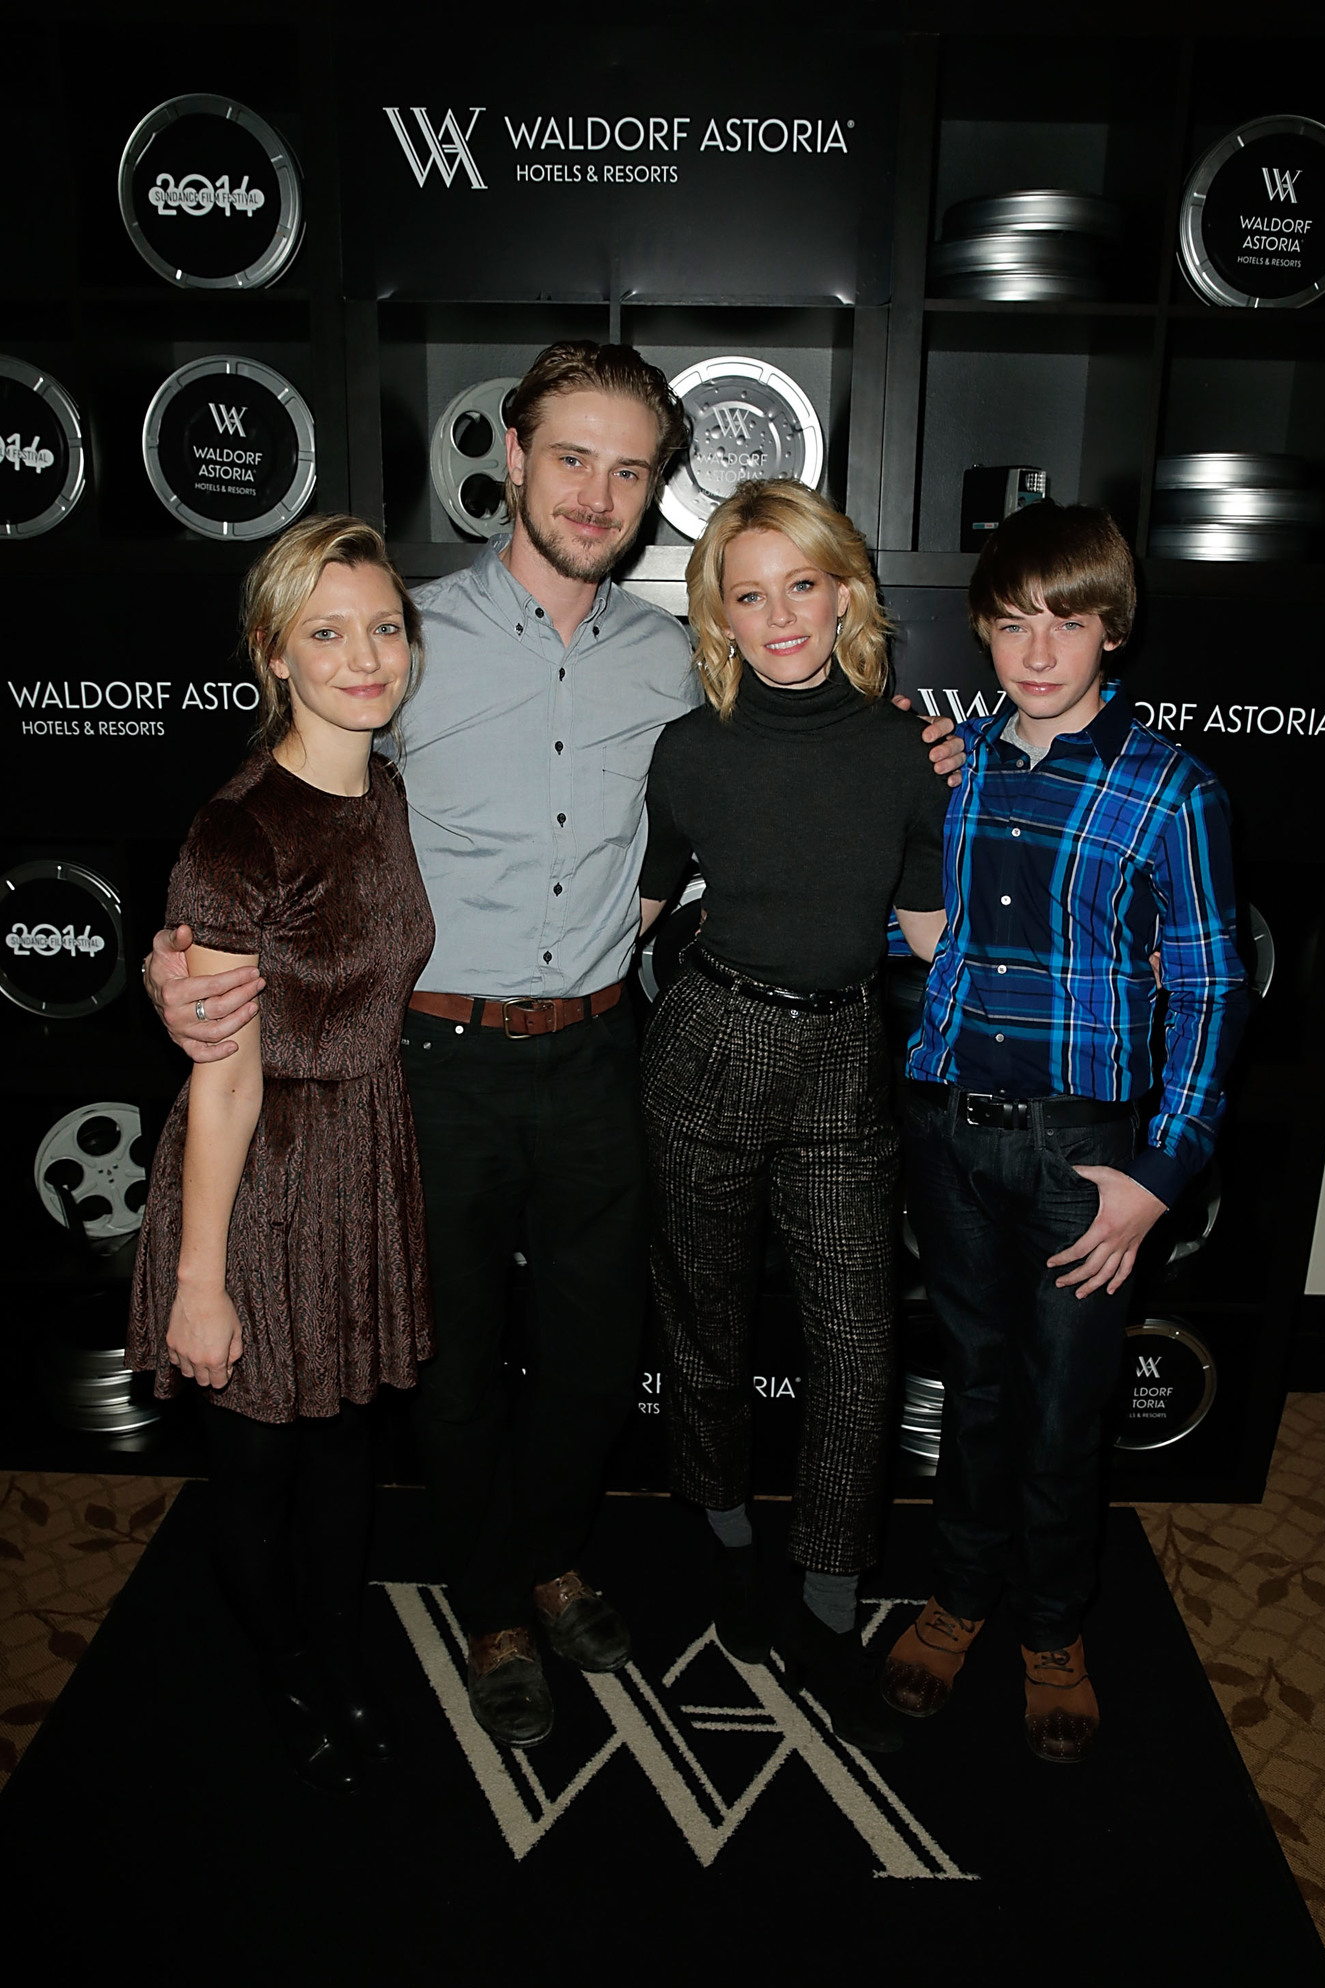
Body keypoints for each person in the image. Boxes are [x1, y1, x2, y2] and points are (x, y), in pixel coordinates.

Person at [143, 340, 963, 1752]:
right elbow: (286, 797)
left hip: (602, 1054)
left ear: (655, 497)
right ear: (511, 459)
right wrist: (181, 953)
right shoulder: (404, 640)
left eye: (629, 469)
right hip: (433, 1067)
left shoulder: (677, 660)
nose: (596, 492)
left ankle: (548, 1547)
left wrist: (911, 750)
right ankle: (493, 1603)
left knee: (593, 1353)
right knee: (456, 1361)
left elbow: (792, 753)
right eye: (570, 457)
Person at [880, 500, 1249, 1760]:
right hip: (944, 1128)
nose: (1039, 650)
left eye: (1069, 621)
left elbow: (1209, 985)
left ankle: (1053, 1624)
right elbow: (919, 936)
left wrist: (1157, 1176)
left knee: (1062, 1408)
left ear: (1111, 631)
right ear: (983, 628)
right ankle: (960, 1595)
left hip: (1080, 1154)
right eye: (1014, 621)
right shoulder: (956, 766)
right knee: (974, 1390)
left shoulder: (1172, 789)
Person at [637, 479, 948, 1755]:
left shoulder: (901, 747)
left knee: (861, 1340)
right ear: (717, 609)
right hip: (708, 1041)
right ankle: (721, 1528)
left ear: (844, 592)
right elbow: (637, 912)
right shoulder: (690, 749)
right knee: (704, 1322)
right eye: (748, 592)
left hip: (843, 1057)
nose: (779, 616)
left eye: (800, 585)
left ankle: (828, 1579)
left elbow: (933, 935)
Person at [127, 514, 434, 1793]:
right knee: (254, 1465)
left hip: (365, 1154)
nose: (366, 657)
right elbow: (226, 1073)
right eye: (328, 631)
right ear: (274, 654)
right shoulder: (237, 832)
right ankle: (280, 1664)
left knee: (346, 1449)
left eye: (385, 627)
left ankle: (342, 1648)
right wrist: (202, 1280)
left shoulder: (387, 785)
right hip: (258, 1178)